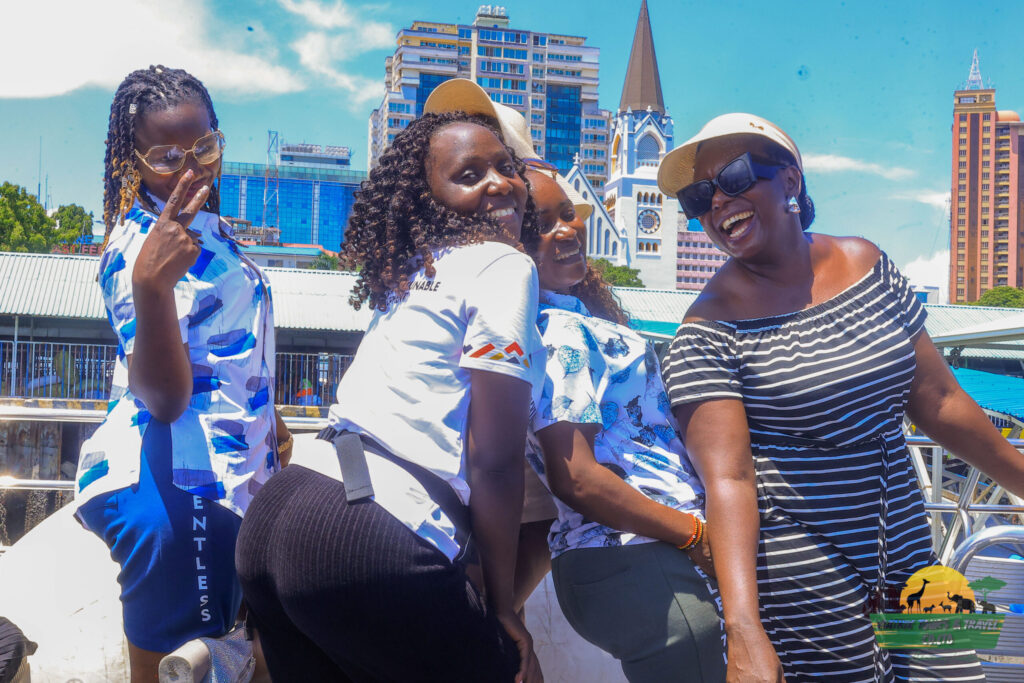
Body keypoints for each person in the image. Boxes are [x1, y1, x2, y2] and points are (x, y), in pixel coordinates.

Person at [658, 113, 1024, 682]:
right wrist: (744, 628)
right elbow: (729, 480)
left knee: (952, 674)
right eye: (699, 196)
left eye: (733, 177)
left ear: (790, 180)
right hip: (804, 582)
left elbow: (939, 400)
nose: (718, 201)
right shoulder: (707, 331)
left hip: (909, 552)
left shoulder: (869, 266)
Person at [235, 110, 545, 682]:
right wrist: (501, 607)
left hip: (278, 517)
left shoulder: (414, 271)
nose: (499, 183)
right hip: (366, 527)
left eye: (506, 167)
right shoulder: (504, 264)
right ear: (428, 199)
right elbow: (495, 461)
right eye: (469, 175)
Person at [73, 65, 287, 682]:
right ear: (132, 162)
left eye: (204, 148)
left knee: (234, 662)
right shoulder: (139, 247)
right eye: (167, 157)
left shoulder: (205, 230)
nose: (190, 169)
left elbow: (223, 354)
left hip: (225, 477)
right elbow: (164, 399)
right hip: (179, 490)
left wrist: (268, 425)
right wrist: (150, 284)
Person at [518, 165, 724, 682]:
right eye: (540, 225)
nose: (566, 230)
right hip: (644, 555)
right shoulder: (558, 331)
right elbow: (576, 476)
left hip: (621, 560)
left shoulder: (557, 321)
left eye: (568, 214)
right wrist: (694, 534)